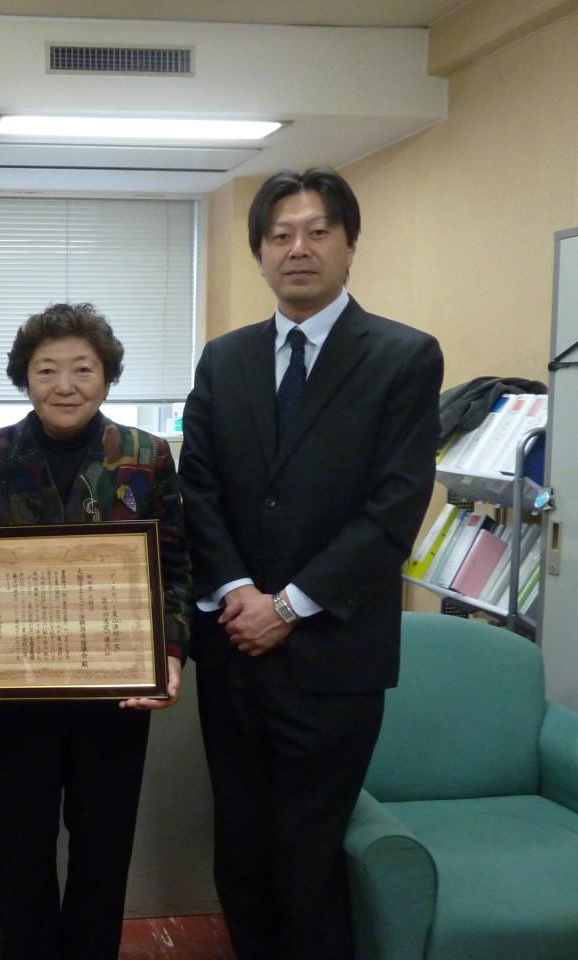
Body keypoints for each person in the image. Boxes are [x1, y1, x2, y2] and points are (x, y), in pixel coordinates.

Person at [177, 167, 443, 960]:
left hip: (334, 656)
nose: (299, 248)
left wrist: (288, 605)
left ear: (349, 243)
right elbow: (200, 486)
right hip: (233, 652)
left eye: (318, 230)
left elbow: (394, 510)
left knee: (309, 856)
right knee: (241, 853)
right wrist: (237, 593)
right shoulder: (224, 359)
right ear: (260, 252)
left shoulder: (402, 357)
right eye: (280, 234)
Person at [0, 302, 191, 960]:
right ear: (24, 378)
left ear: (107, 377)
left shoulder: (145, 457)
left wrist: (169, 652)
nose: (65, 383)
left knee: (103, 847)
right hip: (14, 695)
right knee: (20, 851)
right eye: (46, 369)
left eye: (83, 368)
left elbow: (175, 565)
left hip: (115, 690)